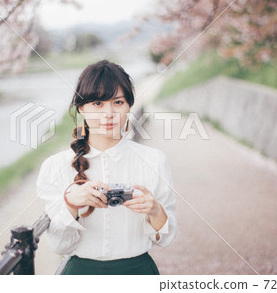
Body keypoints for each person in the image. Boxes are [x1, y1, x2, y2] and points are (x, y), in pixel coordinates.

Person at [36, 60, 177, 275]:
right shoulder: (56, 166)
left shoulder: (154, 160)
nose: (109, 113)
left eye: (118, 102)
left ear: (129, 106)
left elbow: (166, 239)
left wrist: (155, 210)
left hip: (138, 272)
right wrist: (71, 203)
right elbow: (59, 246)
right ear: (81, 108)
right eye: (98, 104)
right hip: (80, 274)